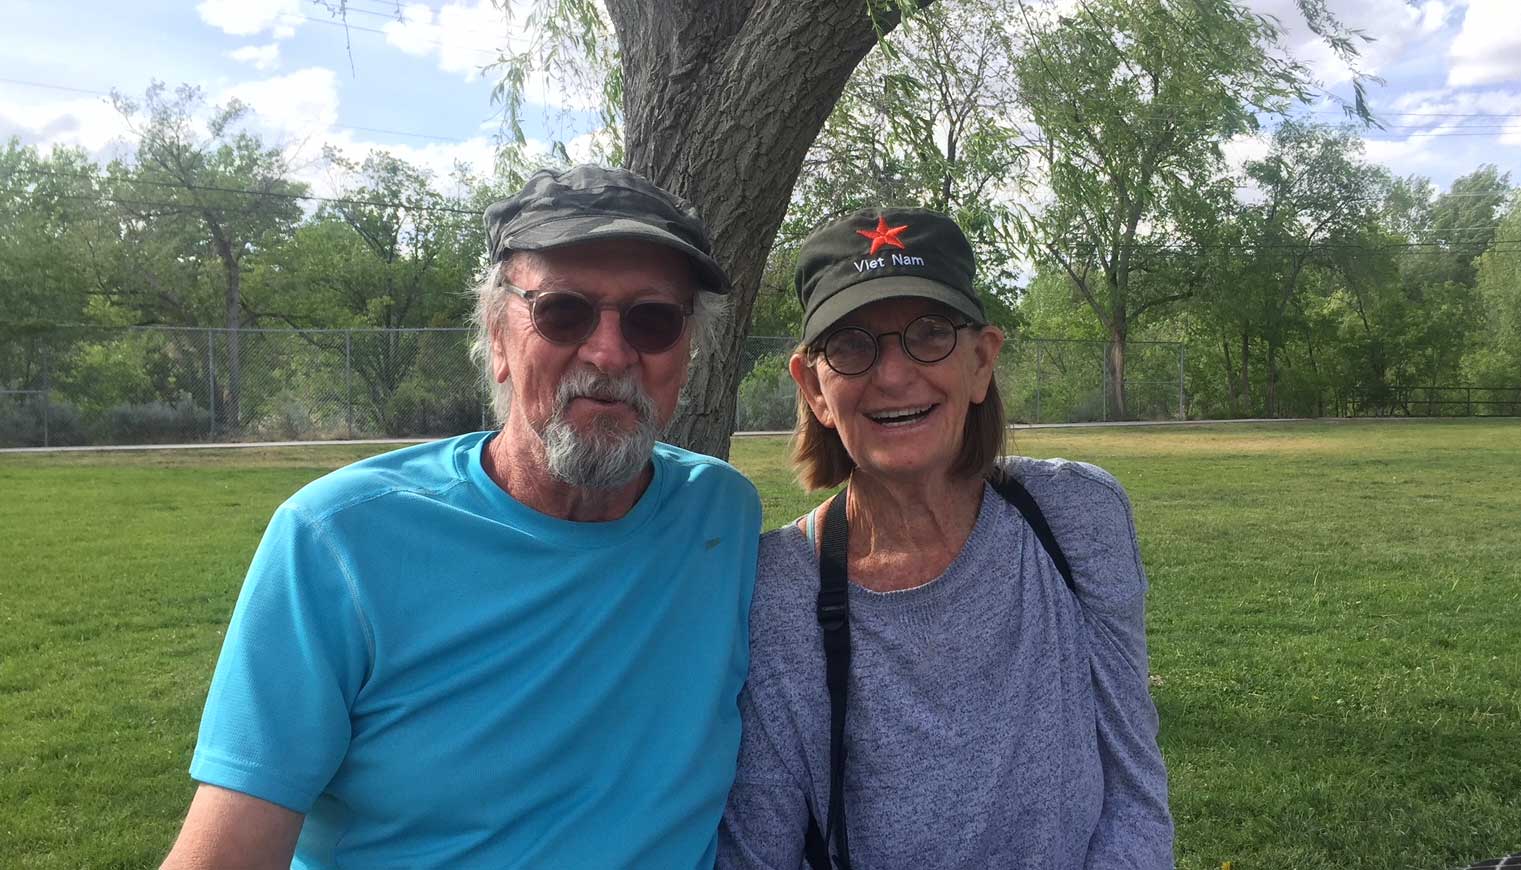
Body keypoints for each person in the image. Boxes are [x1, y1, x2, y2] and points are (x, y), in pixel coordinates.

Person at [161, 165, 762, 869]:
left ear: (685, 355)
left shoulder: (719, 515)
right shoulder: (338, 541)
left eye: (652, 319)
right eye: (563, 312)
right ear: (498, 336)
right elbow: (227, 854)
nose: (608, 351)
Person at [717, 208, 1173, 869]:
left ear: (982, 360)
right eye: (851, 344)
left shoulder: (1078, 518)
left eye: (929, 334)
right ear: (814, 387)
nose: (894, 375)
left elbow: (1134, 796)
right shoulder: (776, 589)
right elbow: (760, 852)